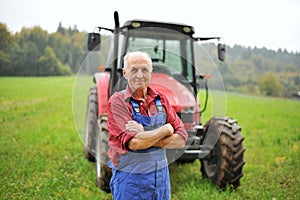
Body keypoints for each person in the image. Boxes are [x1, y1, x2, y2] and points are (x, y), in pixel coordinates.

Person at [107, 51, 188, 200]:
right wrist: (165, 129)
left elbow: (182, 138)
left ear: (151, 72)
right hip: (131, 182)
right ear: (125, 73)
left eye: (144, 69)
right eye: (134, 70)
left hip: (161, 181)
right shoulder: (118, 102)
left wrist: (145, 133)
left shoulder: (161, 99)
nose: (139, 75)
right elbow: (135, 143)